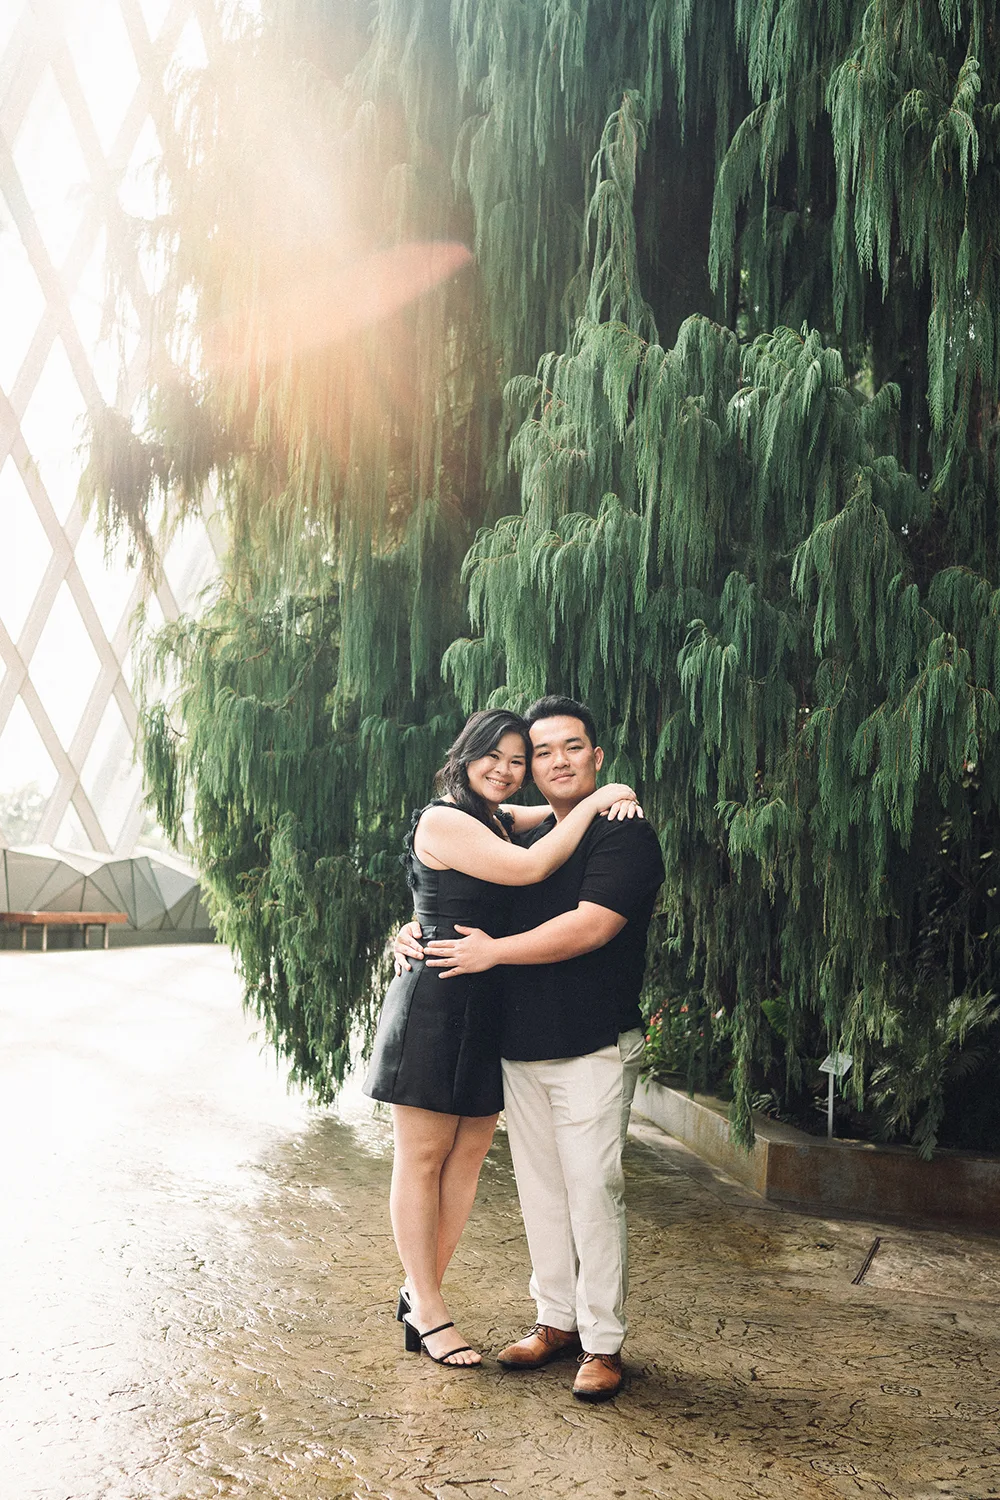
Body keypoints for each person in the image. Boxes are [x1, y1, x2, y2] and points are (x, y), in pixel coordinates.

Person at [395, 695, 665, 1400]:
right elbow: (461, 888)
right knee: (540, 1194)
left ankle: (602, 1342)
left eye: (568, 748)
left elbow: (591, 928)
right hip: (515, 1045)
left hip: (591, 1044)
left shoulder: (621, 833)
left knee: (594, 1191)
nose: (548, 763)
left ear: (596, 755)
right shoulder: (511, 831)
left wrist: (493, 955)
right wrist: (413, 926)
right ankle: (555, 1323)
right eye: (535, 754)